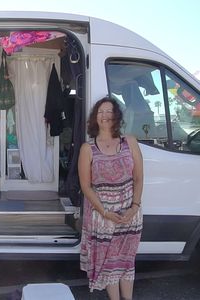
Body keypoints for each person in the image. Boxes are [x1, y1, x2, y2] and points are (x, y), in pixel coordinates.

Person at [78, 96, 143, 300]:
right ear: (95, 118)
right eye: (100, 112)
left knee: (126, 262)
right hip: (103, 215)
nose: (105, 116)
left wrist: (134, 206)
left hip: (130, 214)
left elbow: (139, 177)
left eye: (109, 112)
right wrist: (105, 212)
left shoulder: (129, 142)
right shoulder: (88, 148)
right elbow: (86, 187)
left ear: (116, 116)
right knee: (109, 264)